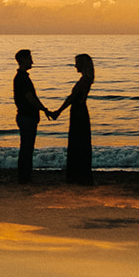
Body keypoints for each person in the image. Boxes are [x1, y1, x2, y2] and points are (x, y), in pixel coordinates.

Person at [51, 53, 95, 185]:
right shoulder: (86, 80)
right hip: (79, 111)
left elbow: (71, 98)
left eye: (77, 63)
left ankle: (78, 175)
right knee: (80, 142)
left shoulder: (84, 81)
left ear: (83, 64)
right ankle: (80, 174)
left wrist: (58, 111)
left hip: (79, 112)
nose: (75, 65)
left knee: (78, 142)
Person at [12, 48, 51, 184]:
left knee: (27, 147)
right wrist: (44, 109)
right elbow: (30, 98)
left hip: (26, 116)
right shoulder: (22, 78)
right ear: (23, 60)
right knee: (27, 148)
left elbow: (31, 97)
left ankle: (24, 176)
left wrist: (43, 109)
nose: (32, 62)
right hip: (27, 116)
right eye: (29, 58)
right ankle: (24, 177)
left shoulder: (22, 78)